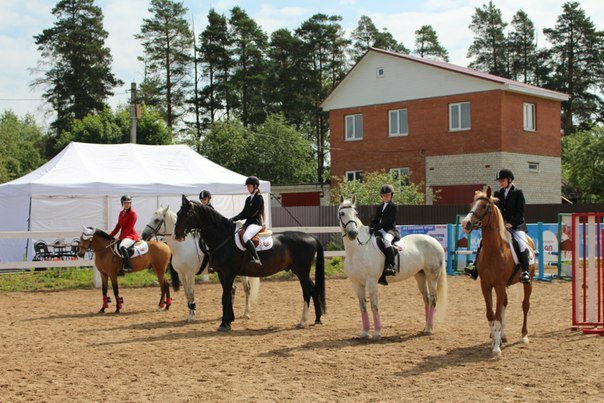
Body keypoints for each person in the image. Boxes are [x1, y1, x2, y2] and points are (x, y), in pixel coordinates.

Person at [465, 169, 531, 283]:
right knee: (482, 242)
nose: (501, 182)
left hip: (516, 226)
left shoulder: (518, 192)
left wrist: (512, 223)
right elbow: (493, 212)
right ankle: (475, 267)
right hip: (501, 226)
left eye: (503, 180)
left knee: (521, 244)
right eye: (500, 181)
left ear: (509, 180)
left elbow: (521, 212)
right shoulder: (497, 194)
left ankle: (525, 271)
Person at [230, 176, 264, 266]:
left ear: (255, 186)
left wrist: (236, 218)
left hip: (256, 223)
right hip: (248, 223)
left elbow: (250, 214)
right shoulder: (248, 199)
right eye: (247, 186)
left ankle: (256, 259)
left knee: (246, 237)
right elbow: (243, 212)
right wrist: (233, 219)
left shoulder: (259, 198)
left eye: (249, 186)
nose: (248, 188)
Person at [370, 184, 399, 285]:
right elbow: (375, 219)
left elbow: (388, 221)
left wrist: (376, 228)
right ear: (381, 196)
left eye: (388, 195)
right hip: (380, 230)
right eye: (384, 195)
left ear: (391, 195)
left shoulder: (393, 207)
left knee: (386, 241)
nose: (386, 197)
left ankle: (391, 266)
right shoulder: (380, 206)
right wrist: (370, 227)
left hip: (390, 230)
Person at [109, 195, 140, 274]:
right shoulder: (121, 213)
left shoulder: (133, 214)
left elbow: (129, 228)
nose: (127, 204)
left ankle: (128, 266)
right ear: (122, 203)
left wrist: (120, 237)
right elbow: (118, 226)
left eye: (128, 203)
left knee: (122, 246)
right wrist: (110, 236)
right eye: (125, 203)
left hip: (131, 236)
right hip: (124, 236)